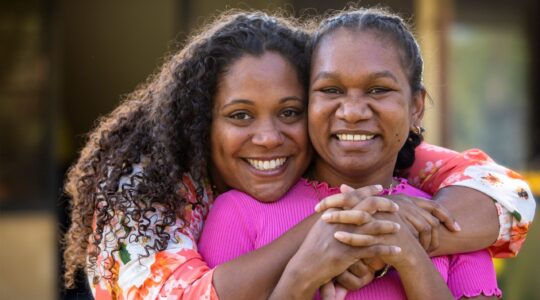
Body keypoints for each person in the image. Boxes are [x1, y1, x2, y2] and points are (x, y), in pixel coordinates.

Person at [62, 10, 534, 300]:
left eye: (289, 112)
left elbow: (506, 195)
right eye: (240, 116)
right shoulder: (152, 196)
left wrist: (391, 234)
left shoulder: (392, 168)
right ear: (199, 122)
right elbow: (189, 296)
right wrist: (329, 234)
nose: (269, 138)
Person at [198, 8, 502, 299]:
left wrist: (408, 256)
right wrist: (301, 275)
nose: (353, 112)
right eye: (331, 90)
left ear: (416, 107)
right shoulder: (237, 213)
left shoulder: (444, 222)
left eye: (378, 89)